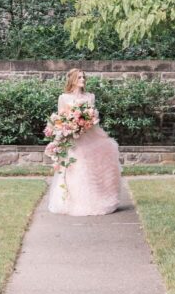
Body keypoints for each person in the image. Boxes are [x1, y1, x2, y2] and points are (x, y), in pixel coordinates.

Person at [48, 68, 121, 216]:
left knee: (89, 169)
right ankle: (73, 203)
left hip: (88, 138)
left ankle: (93, 200)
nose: (83, 79)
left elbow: (94, 121)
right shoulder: (64, 98)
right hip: (72, 140)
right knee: (76, 168)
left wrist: (85, 122)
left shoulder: (90, 97)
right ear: (73, 80)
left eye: (83, 77)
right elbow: (60, 121)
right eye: (80, 77)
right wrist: (64, 133)